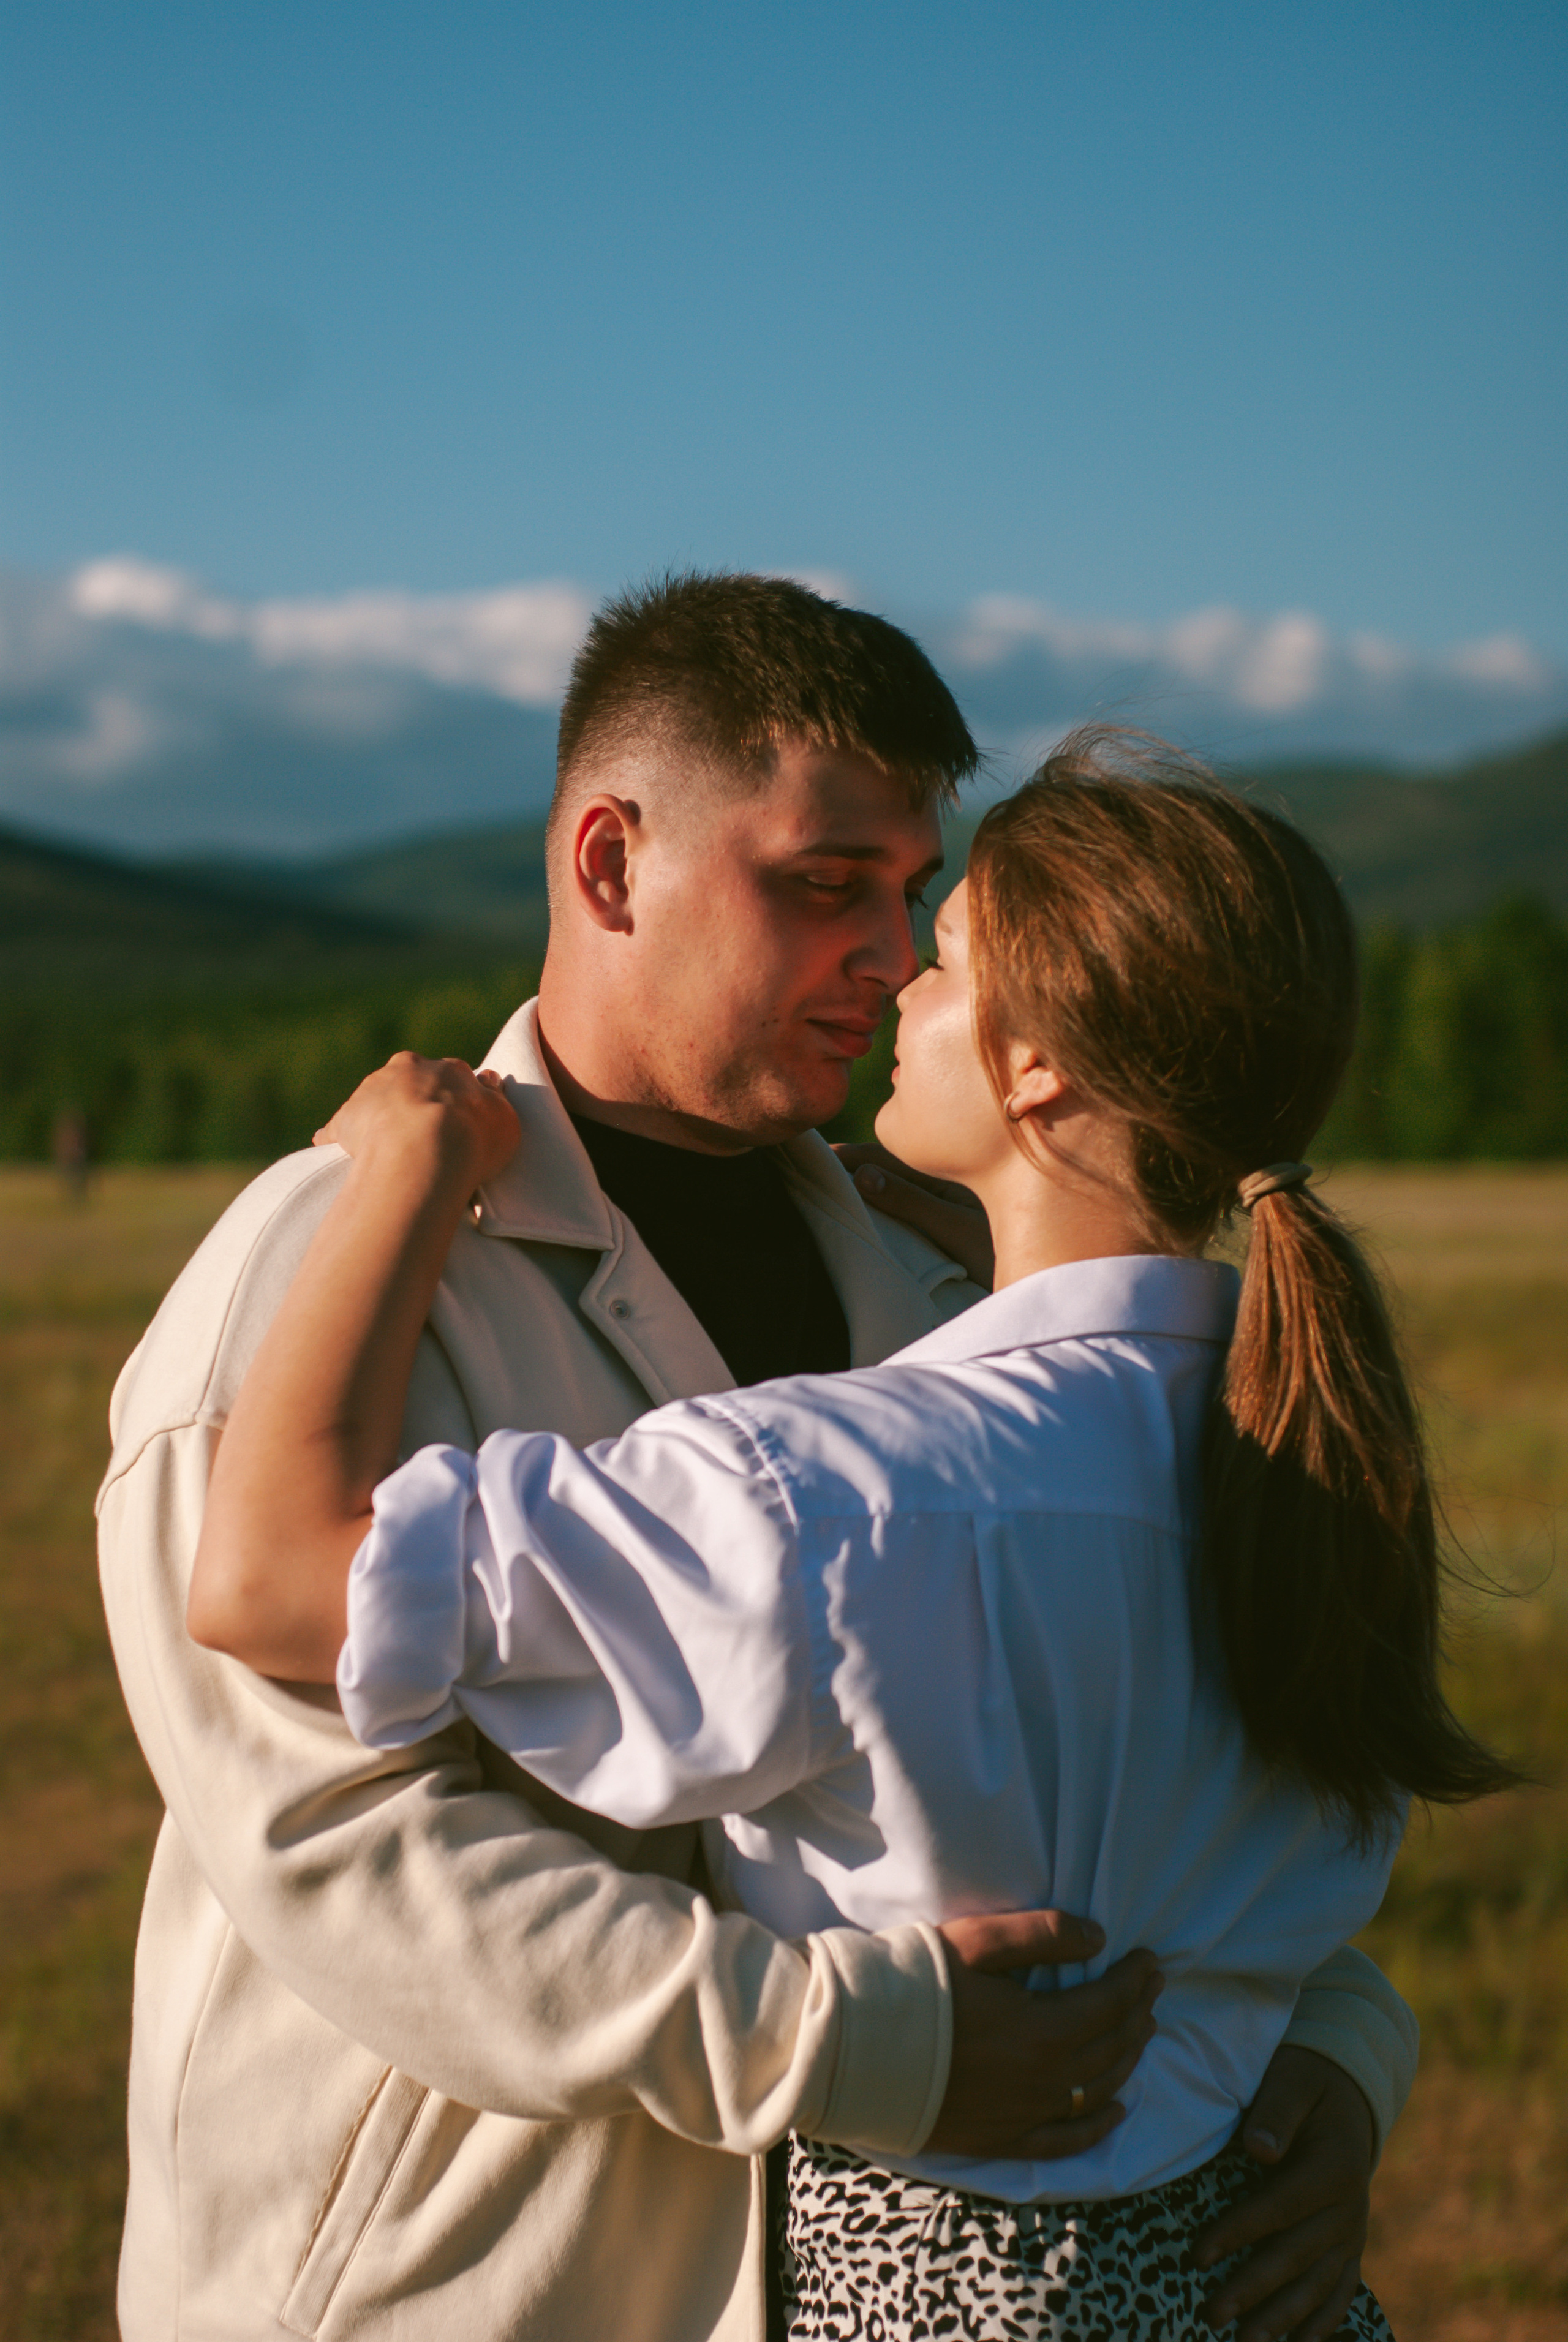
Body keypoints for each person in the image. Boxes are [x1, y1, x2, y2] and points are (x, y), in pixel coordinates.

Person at [101, 579, 1415, 2342]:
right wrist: (860, 2044)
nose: (889, 954)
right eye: (824, 887)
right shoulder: (319, 1289)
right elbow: (343, 1843)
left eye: (914, 901)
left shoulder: (939, 1290)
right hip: (468, 2294)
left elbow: (1174, 1743)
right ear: (608, 865)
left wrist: (1330, 2056)